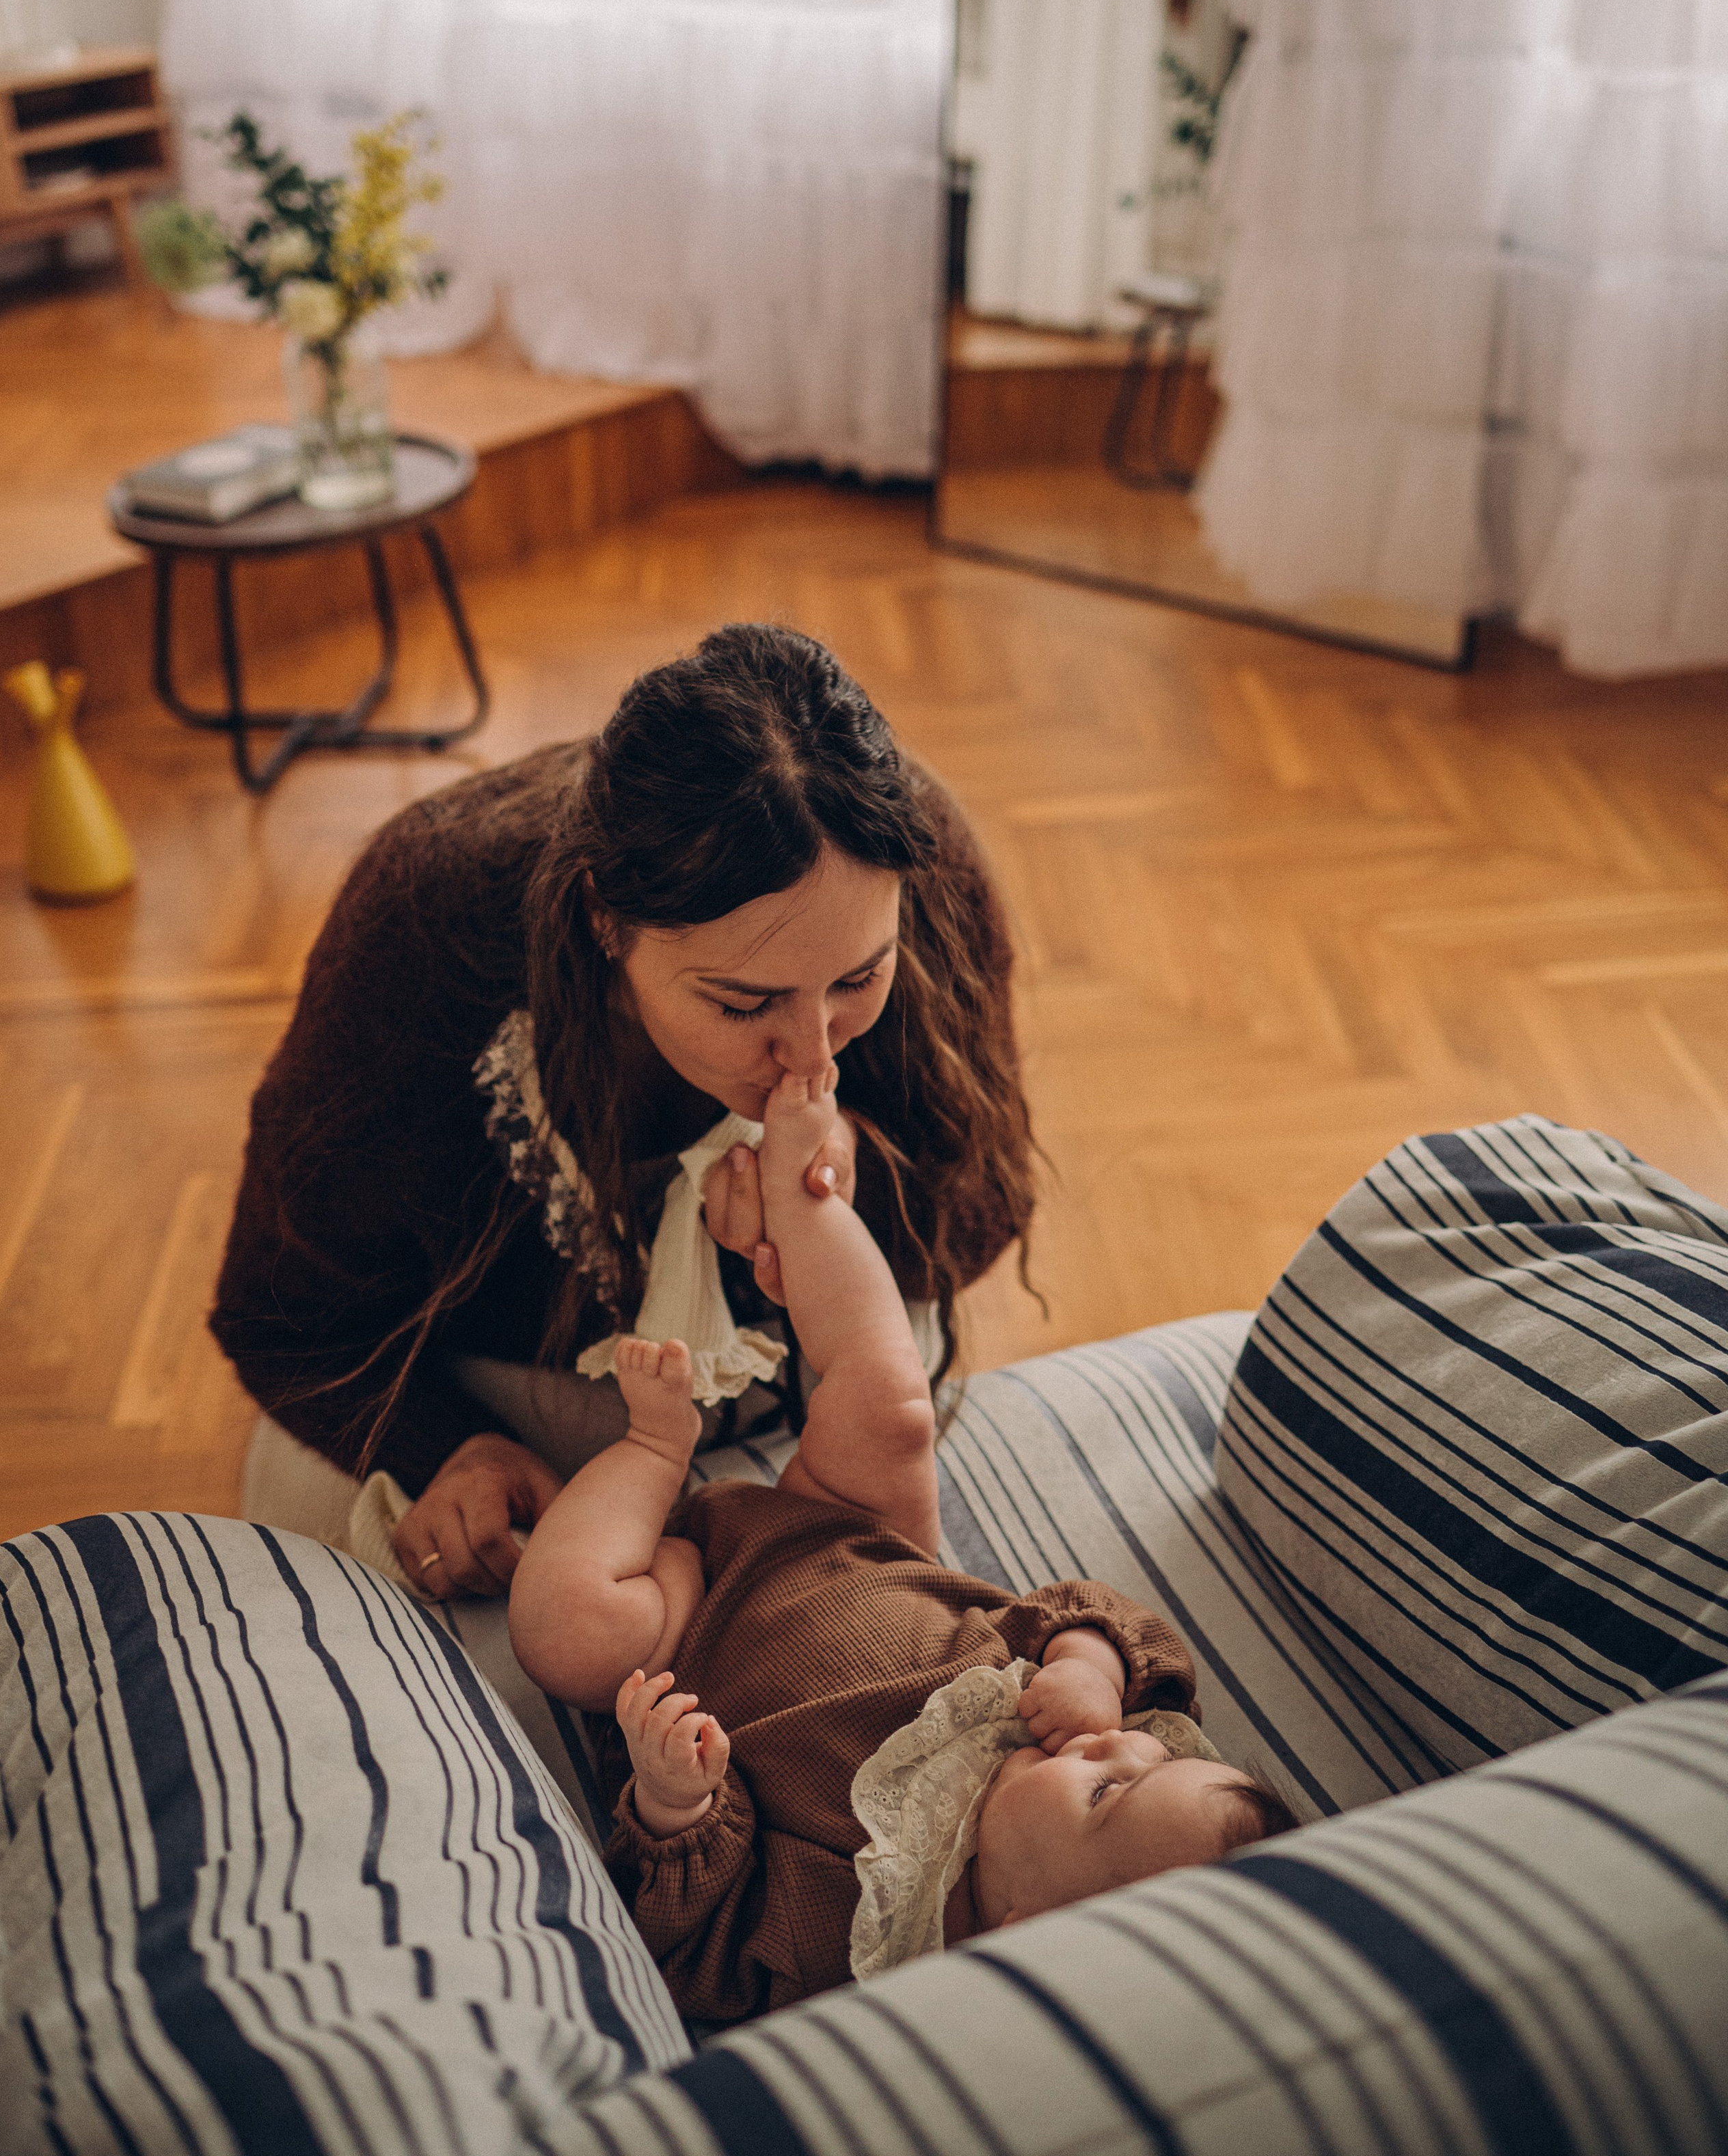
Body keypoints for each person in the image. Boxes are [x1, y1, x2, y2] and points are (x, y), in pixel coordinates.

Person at [211, 625, 1034, 1601]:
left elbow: (990, 1201)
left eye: (861, 978)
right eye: (743, 1003)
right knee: (323, 1557)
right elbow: (281, 1313)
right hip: (511, 1384)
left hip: (823, 1377)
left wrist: (842, 1202)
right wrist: (451, 1451)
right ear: (604, 916)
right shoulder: (427, 923)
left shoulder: (919, 849)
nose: (815, 1055)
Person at [508, 1063, 1293, 2023]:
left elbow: (702, 1949)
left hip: (683, 1628)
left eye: (1104, 1797)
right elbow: (1107, 1616)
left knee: (566, 1630)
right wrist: (1087, 1659)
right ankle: (809, 1201)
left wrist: (682, 1810)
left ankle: (650, 1449)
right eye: (1152, 1759)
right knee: (893, 1410)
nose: (1107, 1747)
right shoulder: (1082, 1718)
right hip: (862, 1535)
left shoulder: (855, 1929)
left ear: (1026, 1928)